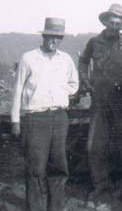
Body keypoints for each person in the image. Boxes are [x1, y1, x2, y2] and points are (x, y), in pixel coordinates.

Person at [11, 17, 79, 211]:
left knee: (58, 166)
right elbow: (17, 91)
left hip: (59, 118)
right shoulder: (28, 58)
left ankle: (55, 208)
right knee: (36, 168)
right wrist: (16, 121)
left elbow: (74, 84)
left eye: (58, 37)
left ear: (61, 39)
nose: (53, 41)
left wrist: (61, 92)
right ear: (43, 35)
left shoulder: (65, 59)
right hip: (35, 118)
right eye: (50, 36)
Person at [78, 3, 122, 207]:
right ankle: (101, 187)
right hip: (99, 100)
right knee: (95, 145)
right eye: (112, 21)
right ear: (106, 21)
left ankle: (121, 185)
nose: (115, 25)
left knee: (121, 144)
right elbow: (83, 61)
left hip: (120, 100)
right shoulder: (94, 42)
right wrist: (84, 79)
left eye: (119, 22)